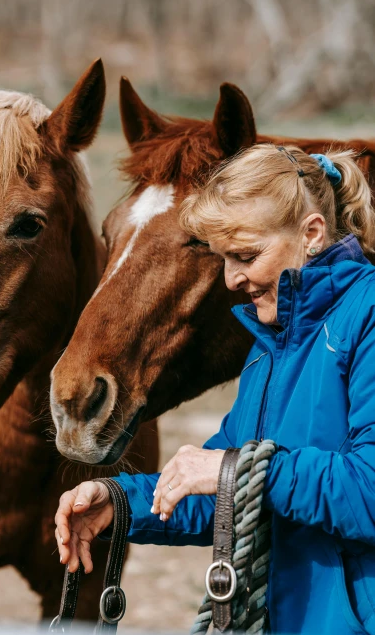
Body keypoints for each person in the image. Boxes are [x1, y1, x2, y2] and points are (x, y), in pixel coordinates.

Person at [54, 144, 375, 635]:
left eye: (246, 256)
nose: (232, 279)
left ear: (311, 233)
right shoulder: (272, 345)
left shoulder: (367, 316)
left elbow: (368, 491)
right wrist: (120, 502)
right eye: (224, 259)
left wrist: (236, 470)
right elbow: (225, 493)